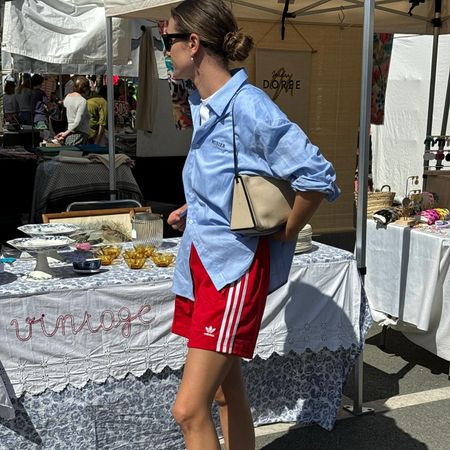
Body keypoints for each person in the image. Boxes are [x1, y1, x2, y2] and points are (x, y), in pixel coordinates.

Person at [165, 1, 340, 449]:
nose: (164, 51)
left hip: (232, 269)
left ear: (193, 43)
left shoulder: (248, 106)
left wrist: (287, 229)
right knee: (225, 390)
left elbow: (316, 176)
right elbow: (229, 180)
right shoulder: (205, 105)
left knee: (187, 409)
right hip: (203, 262)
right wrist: (197, 209)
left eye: (167, 40)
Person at [56, 76, 91, 145]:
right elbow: (77, 122)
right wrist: (65, 134)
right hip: (78, 134)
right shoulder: (82, 101)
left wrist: (65, 133)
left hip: (67, 131)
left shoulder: (67, 97)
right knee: (77, 154)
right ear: (85, 89)